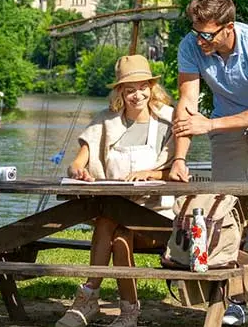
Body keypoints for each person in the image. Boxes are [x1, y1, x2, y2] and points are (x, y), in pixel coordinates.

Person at [170, 0, 248, 326]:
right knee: (224, 205)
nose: (201, 40)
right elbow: (187, 102)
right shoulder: (190, 45)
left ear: (228, 27)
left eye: (207, 34)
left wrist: (208, 123)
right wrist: (178, 159)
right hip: (224, 121)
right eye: (197, 32)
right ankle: (236, 302)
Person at [57, 55, 175, 327]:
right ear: (120, 91)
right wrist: (79, 172)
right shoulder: (105, 122)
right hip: (119, 215)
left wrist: (153, 174)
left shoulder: (168, 121)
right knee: (118, 232)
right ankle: (127, 314)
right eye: (130, 89)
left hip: (158, 218)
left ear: (152, 87)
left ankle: (88, 299)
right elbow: (78, 162)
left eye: (143, 87)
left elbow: (178, 172)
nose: (137, 95)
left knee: (110, 221)